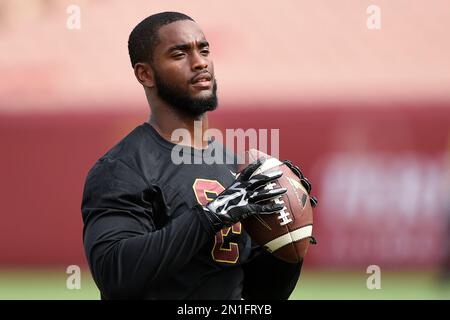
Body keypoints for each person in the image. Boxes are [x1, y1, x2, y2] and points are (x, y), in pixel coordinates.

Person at [81, 11, 317, 300]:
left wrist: (287, 246)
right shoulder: (123, 167)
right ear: (145, 74)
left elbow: (259, 294)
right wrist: (211, 216)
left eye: (203, 49)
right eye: (179, 54)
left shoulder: (236, 167)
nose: (199, 62)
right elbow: (113, 272)